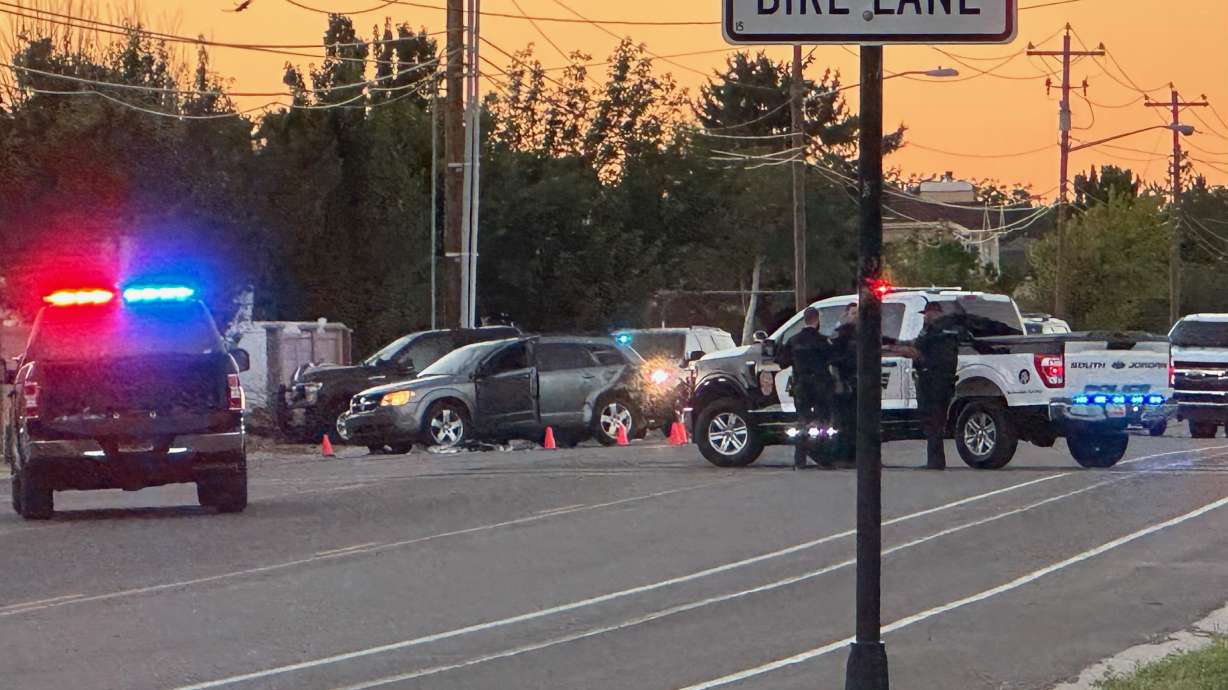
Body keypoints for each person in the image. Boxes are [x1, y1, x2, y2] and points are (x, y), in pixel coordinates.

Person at [901, 301, 963, 470]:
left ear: (934, 313)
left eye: (927, 314)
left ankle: (935, 461)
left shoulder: (933, 331)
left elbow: (919, 349)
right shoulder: (950, 330)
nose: (925, 317)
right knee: (936, 421)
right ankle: (935, 460)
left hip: (932, 381)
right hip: (942, 381)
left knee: (933, 421)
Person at [776, 307, 835, 469]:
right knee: (823, 422)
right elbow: (834, 359)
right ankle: (825, 459)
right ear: (817, 320)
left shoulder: (793, 340)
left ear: (804, 320)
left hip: (801, 386)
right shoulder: (823, 341)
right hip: (821, 386)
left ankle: (799, 459)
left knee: (803, 421)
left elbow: (782, 362)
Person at [828, 303, 859, 466]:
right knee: (843, 422)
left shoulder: (864, 334)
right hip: (844, 384)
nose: (856, 316)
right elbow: (834, 359)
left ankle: (855, 456)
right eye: (853, 313)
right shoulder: (841, 335)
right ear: (846, 315)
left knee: (857, 422)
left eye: (857, 313)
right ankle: (842, 456)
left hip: (859, 384)